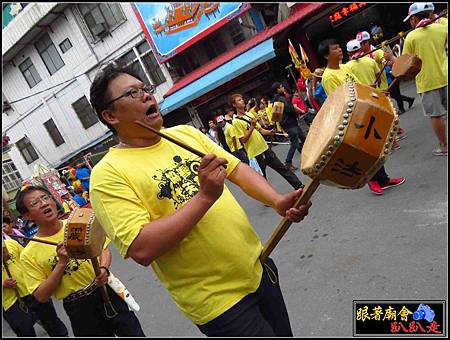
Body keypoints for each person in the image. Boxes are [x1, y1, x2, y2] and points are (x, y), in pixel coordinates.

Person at [88, 61, 312, 336]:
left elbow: (237, 169)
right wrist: (204, 197)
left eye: (145, 88)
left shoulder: (185, 134)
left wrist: (276, 200)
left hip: (258, 267)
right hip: (218, 302)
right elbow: (142, 248)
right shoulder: (107, 175)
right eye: (132, 93)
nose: (147, 95)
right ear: (110, 115)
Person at [16, 185, 145, 337]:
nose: (44, 203)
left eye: (45, 198)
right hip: (78, 307)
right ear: (27, 216)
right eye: (35, 203)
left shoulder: (77, 224)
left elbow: (103, 250)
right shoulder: (29, 254)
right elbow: (40, 296)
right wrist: (61, 263)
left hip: (106, 289)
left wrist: (103, 269)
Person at [318, 38, 406, 195]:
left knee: (374, 147)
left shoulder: (344, 67)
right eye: (335, 49)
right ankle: (372, 181)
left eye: (339, 47)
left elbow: (357, 86)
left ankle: (383, 179)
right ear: (326, 56)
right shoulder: (328, 76)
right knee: (363, 151)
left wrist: (371, 89)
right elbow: (340, 100)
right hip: (352, 117)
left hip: (363, 112)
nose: (339, 50)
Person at [387, 2, 447, 156]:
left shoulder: (412, 36)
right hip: (445, 74)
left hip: (427, 82)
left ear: (414, 19)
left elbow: (405, 63)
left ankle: (444, 146)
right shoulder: (442, 28)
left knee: (436, 115)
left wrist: (392, 58)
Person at [230, 93, 304, 189]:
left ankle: (298, 185)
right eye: (239, 100)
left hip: (264, 148)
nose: (242, 101)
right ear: (234, 105)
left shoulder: (249, 114)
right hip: (255, 154)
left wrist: (270, 132)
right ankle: (270, 197)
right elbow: (243, 140)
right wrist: (252, 126)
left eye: (241, 99)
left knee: (282, 168)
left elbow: (260, 130)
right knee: (262, 179)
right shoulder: (236, 121)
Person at [3, 237, 69, 337]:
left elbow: (27, 260)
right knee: (25, 332)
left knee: (52, 323)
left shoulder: (11, 243)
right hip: (11, 302)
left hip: (32, 290)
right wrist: (3, 284)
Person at [272, 82, 306, 171]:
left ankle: (306, 153)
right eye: (281, 87)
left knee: (302, 137)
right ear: (278, 89)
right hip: (289, 123)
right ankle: (288, 162)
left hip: (286, 124)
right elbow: (289, 109)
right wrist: (296, 114)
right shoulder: (281, 99)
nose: (283, 88)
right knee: (294, 143)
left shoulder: (275, 100)